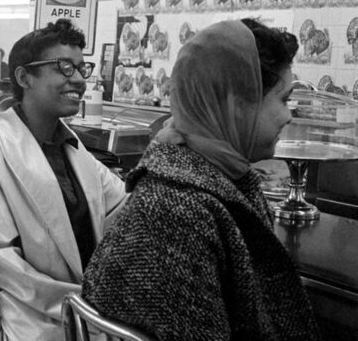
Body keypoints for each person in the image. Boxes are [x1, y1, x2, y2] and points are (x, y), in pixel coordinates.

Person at [82, 20, 321, 341]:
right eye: (283, 100)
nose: (288, 116)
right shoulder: (176, 216)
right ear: (238, 105)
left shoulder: (219, 182)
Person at [0, 19, 128, 341]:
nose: (79, 80)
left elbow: (121, 207)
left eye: (82, 68)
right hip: (12, 308)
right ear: (23, 76)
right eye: (63, 67)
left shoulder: (71, 148)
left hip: (73, 306)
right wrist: (82, 302)